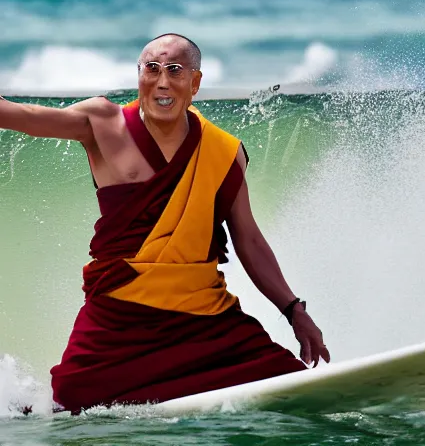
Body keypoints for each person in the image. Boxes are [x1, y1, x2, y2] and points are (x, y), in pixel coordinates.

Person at [0, 33, 330, 414]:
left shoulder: (224, 152)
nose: (162, 82)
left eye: (174, 70)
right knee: (68, 405)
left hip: (204, 318)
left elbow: (250, 241)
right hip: (119, 316)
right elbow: (22, 117)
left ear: (195, 81)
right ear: (138, 74)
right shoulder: (104, 124)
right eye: (151, 69)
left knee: (289, 386)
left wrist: (294, 311)